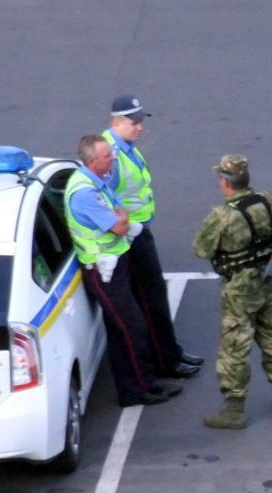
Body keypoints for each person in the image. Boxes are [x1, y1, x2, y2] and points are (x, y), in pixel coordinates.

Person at [64, 134, 181, 407]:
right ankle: (139, 389)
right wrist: (121, 218)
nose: (113, 158)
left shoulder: (97, 180)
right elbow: (119, 224)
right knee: (132, 328)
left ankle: (139, 385)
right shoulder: (85, 193)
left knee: (121, 330)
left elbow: (120, 210)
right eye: (107, 156)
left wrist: (121, 216)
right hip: (104, 271)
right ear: (93, 161)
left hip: (114, 263)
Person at [193, 154, 272, 430]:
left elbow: (200, 249)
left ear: (225, 182)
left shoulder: (221, 217)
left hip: (240, 290)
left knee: (235, 347)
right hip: (269, 282)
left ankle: (234, 410)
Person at [102, 95, 203, 379]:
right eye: (134, 123)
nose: (140, 128)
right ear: (116, 122)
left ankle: (170, 351)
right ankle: (166, 361)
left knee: (155, 294)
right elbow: (104, 200)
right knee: (151, 300)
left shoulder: (126, 149)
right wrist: (128, 227)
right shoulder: (111, 155)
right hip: (129, 237)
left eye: (141, 121)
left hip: (139, 231)